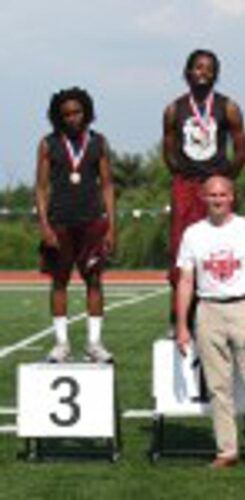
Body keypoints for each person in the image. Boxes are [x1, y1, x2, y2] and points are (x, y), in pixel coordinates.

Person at [176, 175, 245, 472]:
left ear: (232, 196)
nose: (218, 199)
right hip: (208, 309)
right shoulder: (193, 233)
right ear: (203, 198)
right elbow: (186, 280)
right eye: (212, 195)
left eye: (222, 194)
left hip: (243, 307)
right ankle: (227, 450)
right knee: (218, 388)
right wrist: (182, 325)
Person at [163, 49, 245, 329]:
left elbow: (241, 150)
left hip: (216, 188)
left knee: (219, 248)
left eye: (209, 68)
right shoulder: (174, 109)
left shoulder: (229, 107)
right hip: (186, 187)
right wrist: (183, 176)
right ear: (187, 72)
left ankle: (220, 315)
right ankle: (179, 318)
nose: (203, 72)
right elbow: (168, 151)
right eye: (197, 67)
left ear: (216, 74)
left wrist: (224, 178)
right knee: (181, 249)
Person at [35, 87, 115, 363]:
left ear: (86, 112)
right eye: (66, 113)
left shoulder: (99, 142)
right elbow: (41, 187)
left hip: (92, 222)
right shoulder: (48, 143)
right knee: (59, 282)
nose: (72, 118)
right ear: (58, 116)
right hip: (60, 222)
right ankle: (61, 344)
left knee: (94, 280)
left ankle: (94, 343)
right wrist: (44, 225)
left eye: (77, 112)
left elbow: (107, 185)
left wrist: (111, 225)